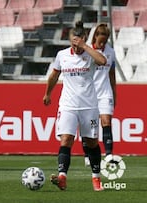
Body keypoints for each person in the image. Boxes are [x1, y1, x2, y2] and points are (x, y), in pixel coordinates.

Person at [43, 21, 107, 191]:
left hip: (89, 106)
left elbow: (102, 61)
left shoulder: (91, 54)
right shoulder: (62, 55)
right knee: (66, 140)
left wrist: (85, 47)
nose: (76, 47)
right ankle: (62, 177)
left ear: (84, 40)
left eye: (79, 43)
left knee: (91, 142)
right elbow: (54, 75)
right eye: (73, 43)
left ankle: (96, 179)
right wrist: (48, 93)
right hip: (67, 105)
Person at [82, 23, 116, 166]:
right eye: (100, 40)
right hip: (89, 94)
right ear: (95, 36)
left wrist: (114, 94)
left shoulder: (111, 52)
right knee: (89, 126)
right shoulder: (86, 51)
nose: (102, 43)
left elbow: (112, 75)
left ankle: (108, 155)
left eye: (105, 40)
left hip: (105, 92)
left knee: (106, 122)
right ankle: (87, 155)